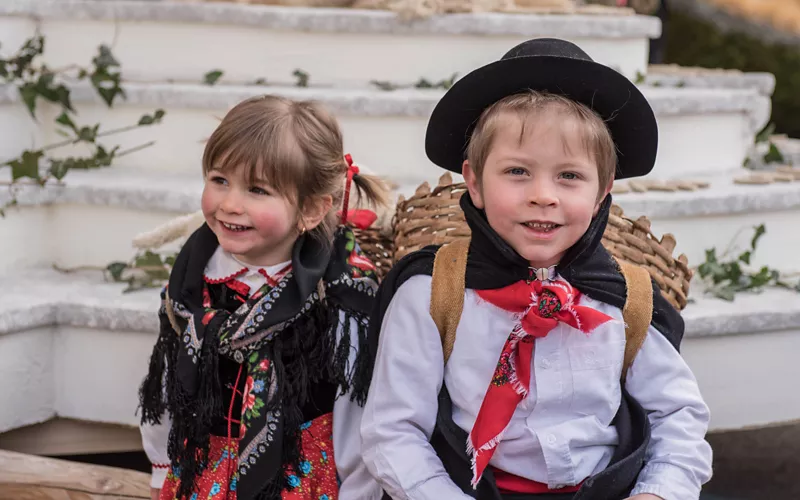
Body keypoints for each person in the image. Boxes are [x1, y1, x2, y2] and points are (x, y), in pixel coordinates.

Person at [360, 38, 713, 500]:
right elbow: (393, 429)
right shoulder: (433, 293)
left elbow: (678, 416)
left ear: (602, 191)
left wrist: (658, 492)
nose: (543, 194)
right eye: (518, 172)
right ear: (475, 181)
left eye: (569, 176)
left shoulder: (628, 300)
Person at [138, 95, 388, 500]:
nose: (230, 204)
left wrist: (359, 491)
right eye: (219, 179)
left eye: (257, 189)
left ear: (310, 210)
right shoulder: (193, 281)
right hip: (203, 473)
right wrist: (160, 468)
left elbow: (357, 410)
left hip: (298, 477)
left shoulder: (339, 295)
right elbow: (170, 382)